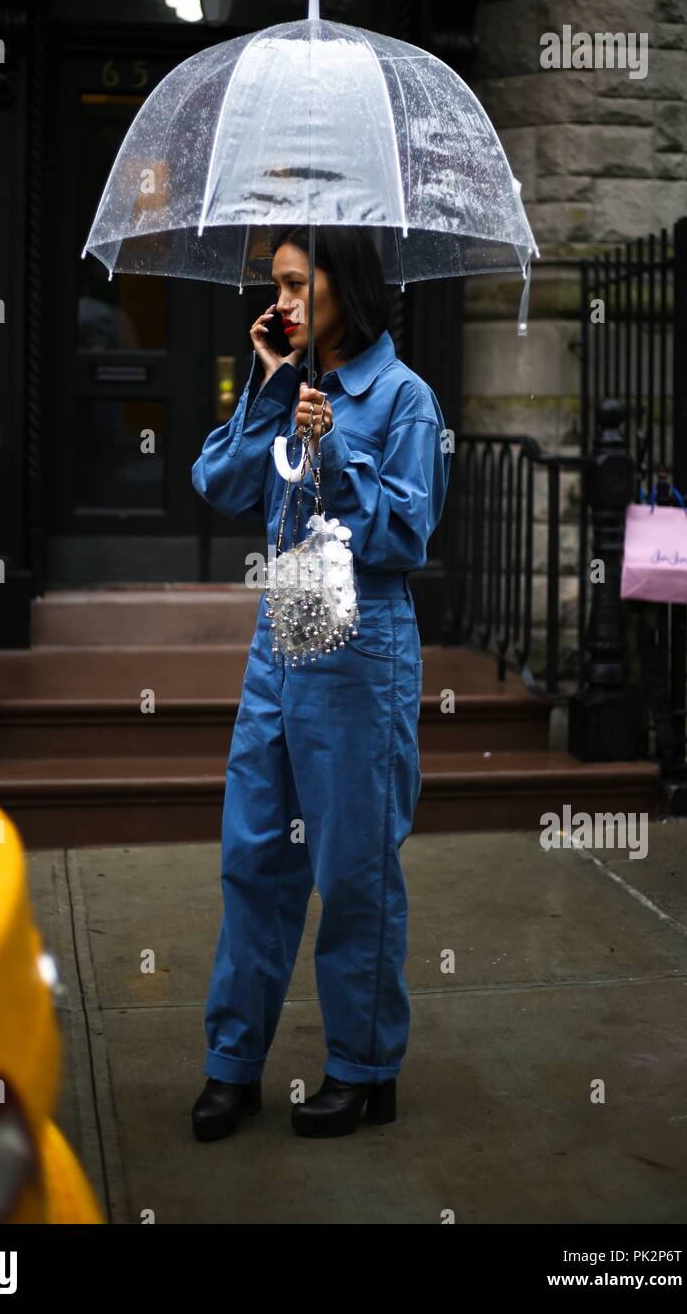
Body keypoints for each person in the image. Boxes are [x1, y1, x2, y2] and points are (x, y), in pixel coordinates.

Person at [190, 225, 450, 1140]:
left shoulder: (403, 399)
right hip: (284, 628)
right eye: (278, 286)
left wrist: (335, 447)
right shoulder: (285, 382)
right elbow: (218, 482)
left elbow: (406, 540)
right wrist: (265, 383)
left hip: (362, 639)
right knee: (255, 853)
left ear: (349, 287)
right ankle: (234, 1063)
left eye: (299, 284)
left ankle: (364, 1068)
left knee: (353, 866)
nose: (284, 302)